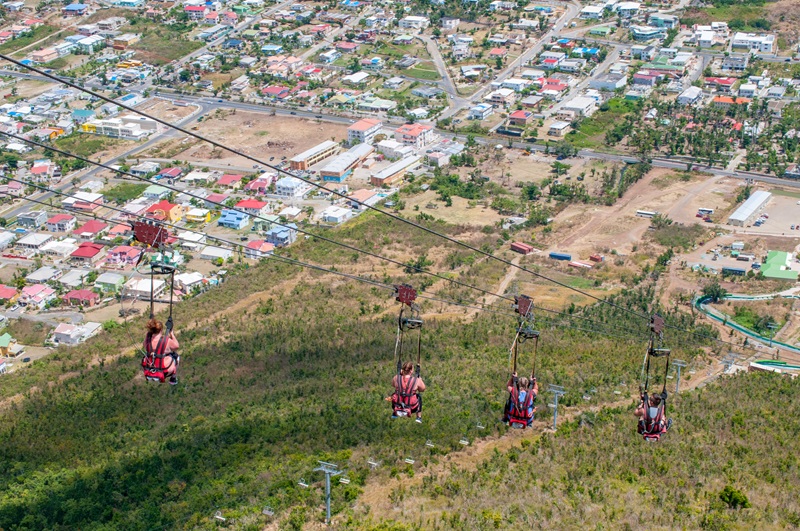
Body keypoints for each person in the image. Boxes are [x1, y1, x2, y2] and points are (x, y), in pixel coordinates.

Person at [143, 318, 180, 385]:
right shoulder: (166, 340)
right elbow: (176, 346)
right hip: (165, 369)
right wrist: (172, 335)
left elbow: (144, 346)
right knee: (176, 356)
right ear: (161, 330)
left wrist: (148, 334)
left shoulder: (148, 341)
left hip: (150, 369)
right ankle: (173, 377)